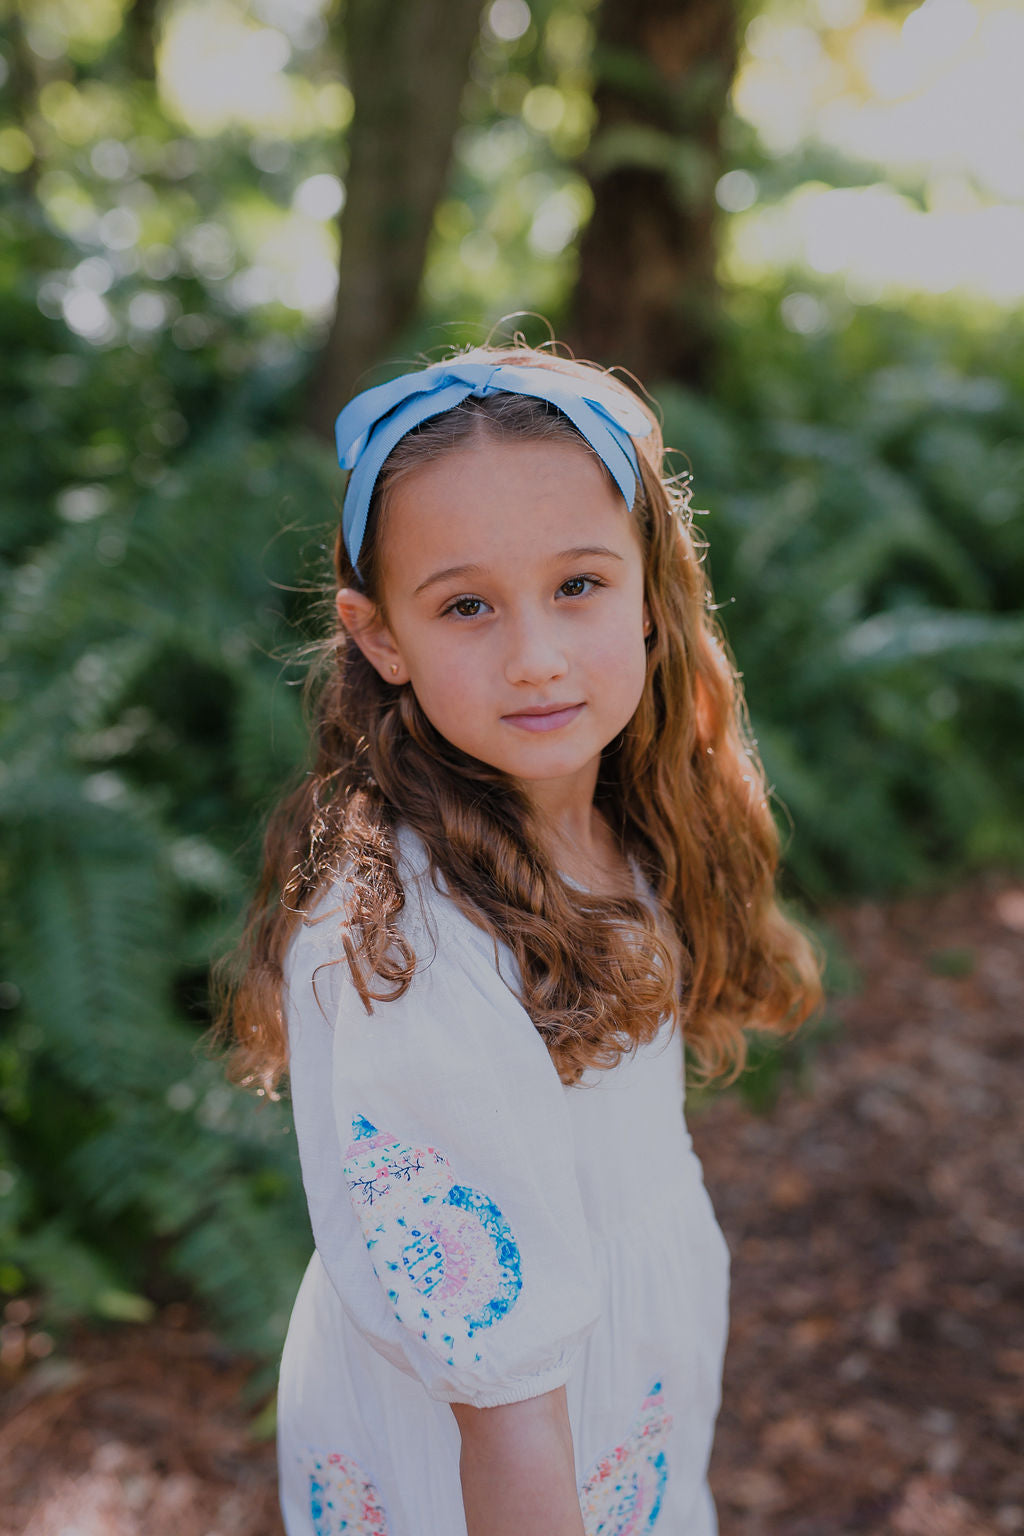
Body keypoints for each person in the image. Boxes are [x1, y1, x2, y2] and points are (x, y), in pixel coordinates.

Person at [215, 341, 822, 1536]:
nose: (535, 655)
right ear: (381, 636)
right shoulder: (412, 950)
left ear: (652, 594)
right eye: (467, 606)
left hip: (615, 1384)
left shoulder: (613, 826)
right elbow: (504, 1420)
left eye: (579, 586)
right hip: (503, 1454)